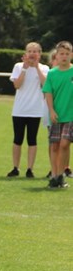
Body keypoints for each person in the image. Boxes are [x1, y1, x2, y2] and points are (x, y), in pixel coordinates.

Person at [7, 42, 49, 178]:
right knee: (17, 139)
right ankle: (15, 168)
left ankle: (30, 169)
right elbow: (17, 85)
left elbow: (45, 85)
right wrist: (24, 69)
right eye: (29, 51)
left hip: (35, 110)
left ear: (39, 54)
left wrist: (36, 68)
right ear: (25, 53)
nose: (32, 54)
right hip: (19, 109)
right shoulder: (18, 66)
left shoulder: (44, 68)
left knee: (32, 140)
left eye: (35, 51)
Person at [43, 41, 73, 188]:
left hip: (71, 115)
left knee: (64, 143)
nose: (64, 56)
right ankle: (55, 176)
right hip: (56, 115)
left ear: (71, 55)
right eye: (61, 54)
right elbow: (48, 93)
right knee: (54, 146)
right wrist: (51, 110)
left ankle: (61, 174)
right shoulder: (52, 73)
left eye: (67, 54)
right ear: (57, 56)